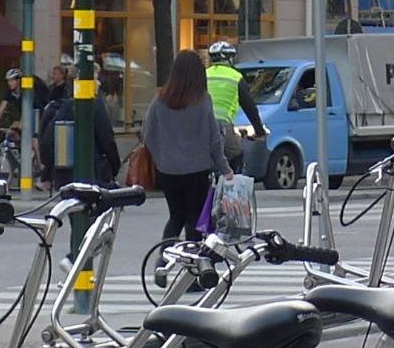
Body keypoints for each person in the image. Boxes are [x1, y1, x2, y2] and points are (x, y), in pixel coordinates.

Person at [141, 52, 230, 241]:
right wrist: (225, 169)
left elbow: (147, 134)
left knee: (176, 216)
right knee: (195, 218)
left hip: (167, 171)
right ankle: (192, 262)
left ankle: (164, 258)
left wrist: (162, 158)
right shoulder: (202, 100)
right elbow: (214, 140)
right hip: (197, 170)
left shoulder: (160, 100)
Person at [36, 63, 122, 187]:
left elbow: (48, 142)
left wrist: (49, 172)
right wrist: (114, 167)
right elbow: (106, 138)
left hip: (65, 176)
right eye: (96, 79)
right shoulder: (95, 105)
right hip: (92, 174)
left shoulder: (64, 106)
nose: (99, 83)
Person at [205, 39, 265, 167]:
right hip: (222, 125)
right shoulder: (235, 77)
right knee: (235, 153)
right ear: (229, 59)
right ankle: (230, 182)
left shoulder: (203, 75)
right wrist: (259, 131)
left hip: (200, 125)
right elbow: (250, 108)